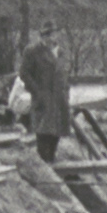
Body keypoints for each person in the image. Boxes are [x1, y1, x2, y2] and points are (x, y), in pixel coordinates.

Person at [20, 22, 72, 163]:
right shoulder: (32, 51)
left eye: (52, 34)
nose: (50, 38)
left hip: (59, 98)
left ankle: (51, 159)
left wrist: (66, 92)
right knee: (43, 131)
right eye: (46, 35)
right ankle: (43, 161)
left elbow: (65, 73)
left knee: (57, 130)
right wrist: (37, 91)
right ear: (41, 36)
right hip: (44, 97)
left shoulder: (61, 52)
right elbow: (24, 73)